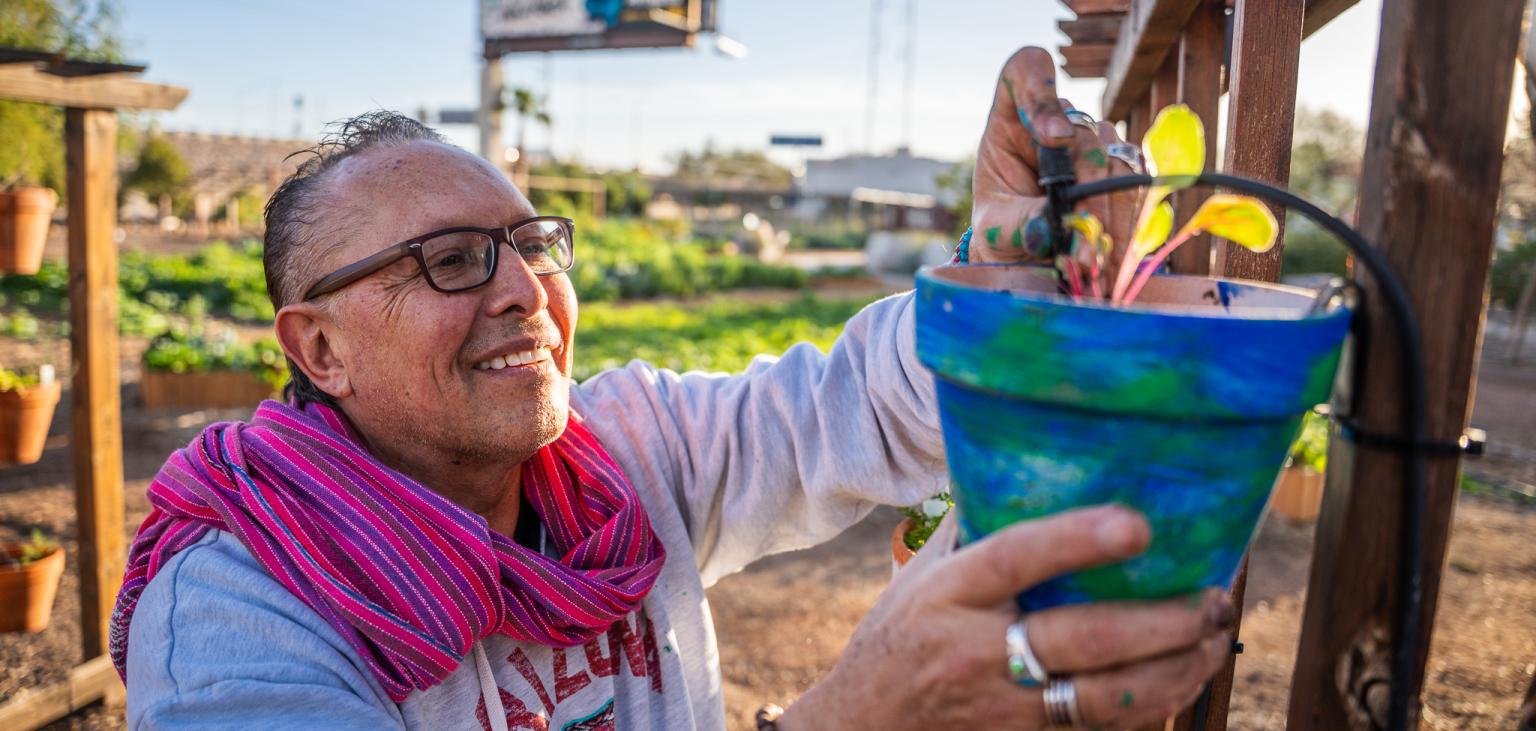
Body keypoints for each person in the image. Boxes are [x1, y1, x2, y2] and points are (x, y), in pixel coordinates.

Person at [112, 47, 1233, 730]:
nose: (523, 293)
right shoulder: (235, 621)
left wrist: (1001, 263)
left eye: (532, 242)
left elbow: (848, 406)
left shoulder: (619, 455)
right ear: (318, 350)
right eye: (453, 260)